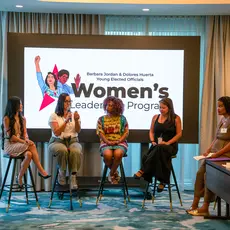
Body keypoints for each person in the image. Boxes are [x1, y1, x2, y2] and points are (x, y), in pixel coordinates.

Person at [187, 96, 230, 216]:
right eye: (218, 106)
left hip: (224, 156)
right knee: (200, 174)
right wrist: (209, 149)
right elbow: (217, 137)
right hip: (214, 155)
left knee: (210, 177)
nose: (218, 108)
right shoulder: (222, 120)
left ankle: (205, 206)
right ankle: (195, 203)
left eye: (221, 106)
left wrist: (218, 153)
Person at [1, 96, 51, 188]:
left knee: (29, 155)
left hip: (20, 144)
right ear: (13, 105)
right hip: (10, 146)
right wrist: (24, 142)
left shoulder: (23, 119)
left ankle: (19, 177)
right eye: (19, 103)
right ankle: (41, 170)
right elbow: (11, 137)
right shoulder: (6, 119)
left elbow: (25, 133)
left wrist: (26, 140)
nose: (21, 105)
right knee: (31, 146)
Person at [134, 98, 182, 191]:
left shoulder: (176, 118)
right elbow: (151, 131)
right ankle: (162, 181)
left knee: (155, 152)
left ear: (169, 107)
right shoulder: (155, 117)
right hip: (156, 146)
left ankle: (143, 170)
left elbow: (179, 134)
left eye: (163, 108)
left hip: (170, 146)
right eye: (160, 107)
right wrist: (152, 141)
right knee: (158, 149)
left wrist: (167, 143)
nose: (161, 109)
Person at [48, 93, 82, 189]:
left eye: (70, 101)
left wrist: (76, 120)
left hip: (73, 140)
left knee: (76, 151)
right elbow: (57, 132)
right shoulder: (54, 116)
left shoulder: (74, 115)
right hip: (57, 141)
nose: (68, 103)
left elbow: (78, 130)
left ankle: (73, 177)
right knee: (62, 150)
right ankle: (62, 173)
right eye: (66, 101)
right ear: (61, 102)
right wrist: (66, 120)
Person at [96, 96, 129, 184]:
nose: (108, 107)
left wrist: (118, 141)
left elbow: (126, 133)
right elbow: (100, 133)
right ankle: (115, 173)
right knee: (107, 155)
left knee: (118, 154)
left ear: (116, 107)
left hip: (120, 142)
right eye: (107, 105)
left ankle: (111, 174)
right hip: (106, 142)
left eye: (111, 105)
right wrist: (107, 141)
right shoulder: (101, 119)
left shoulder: (122, 119)